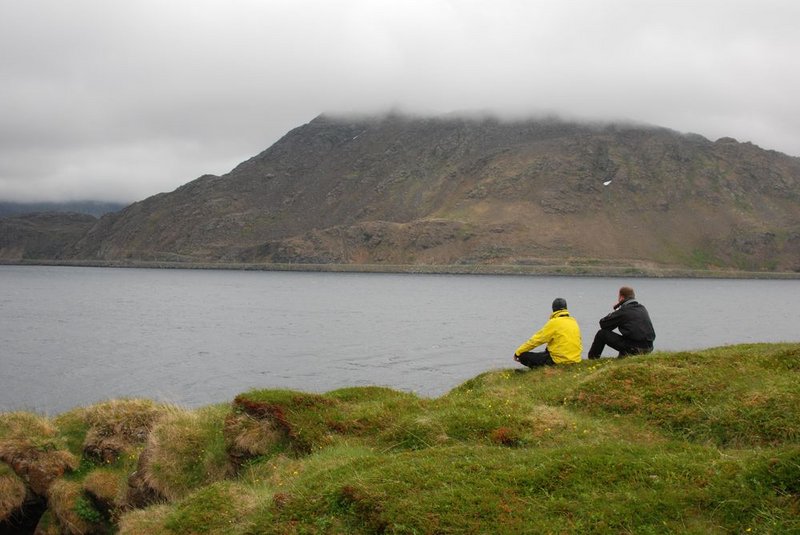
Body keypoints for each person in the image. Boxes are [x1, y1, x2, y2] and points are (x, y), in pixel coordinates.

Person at [587, 286, 655, 359]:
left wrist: (616, 312)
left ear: (621, 298)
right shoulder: (642, 308)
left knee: (602, 334)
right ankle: (623, 356)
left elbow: (603, 324)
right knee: (628, 337)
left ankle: (592, 359)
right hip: (649, 347)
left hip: (636, 349)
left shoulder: (623, 311)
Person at [513, 298, 582, 368]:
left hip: (558, 361)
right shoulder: (574, 322)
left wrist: (518, 352)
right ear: (566, 308)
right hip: (575, 360)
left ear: (553, 309)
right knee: (545, 352)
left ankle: (539, 369)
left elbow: (536, 340)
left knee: (523, 356)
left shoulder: (554, 322)